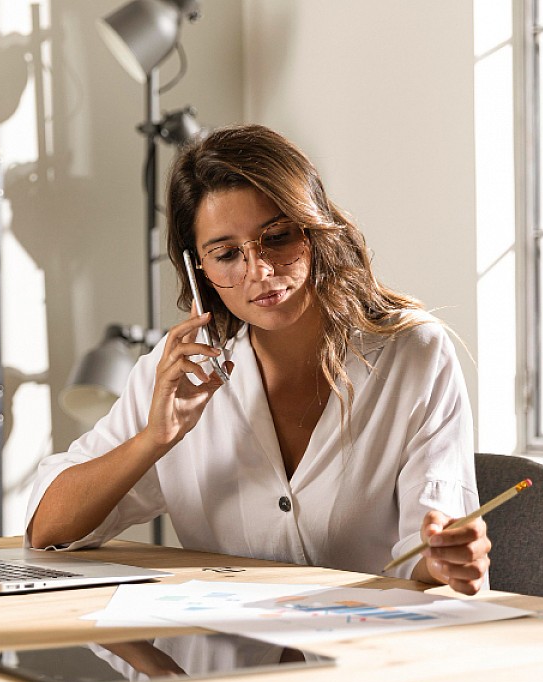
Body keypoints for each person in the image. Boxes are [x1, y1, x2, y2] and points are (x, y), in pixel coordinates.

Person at [26, 123, 490, 596]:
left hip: (368, 651)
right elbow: (47, 530)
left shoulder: (413, 355)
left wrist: (446, 558)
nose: (260, 271)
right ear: (199, 269)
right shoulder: (179, 374)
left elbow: (431, 551)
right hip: (222, 658)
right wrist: (154, 439)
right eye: (227, 253)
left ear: (314, 230)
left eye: (278, 236)